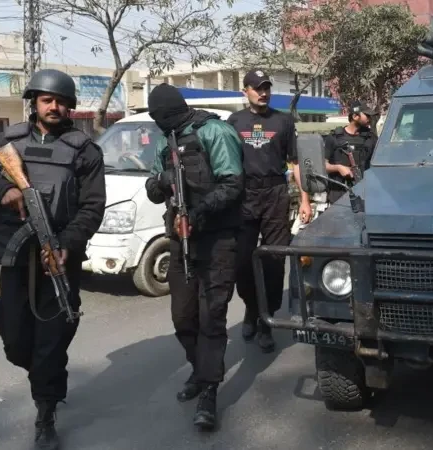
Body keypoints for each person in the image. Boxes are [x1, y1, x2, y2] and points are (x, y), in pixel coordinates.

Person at [0, 69, 106, 449]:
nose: (54, 106)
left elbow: (93, 206)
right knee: (14, 340)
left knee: (52, 341)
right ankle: (46, 374)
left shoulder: (85, 150)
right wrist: (3, 190)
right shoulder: (6, 142)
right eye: (47, 100)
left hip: (59, 259)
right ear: (34, 102)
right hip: (15, 257)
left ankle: (46, 411)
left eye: (61, 101)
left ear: (70, 106)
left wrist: (68, 242)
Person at [144, 84, 244, 431]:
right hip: (180, 239)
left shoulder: (214, 132)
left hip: (218, 240)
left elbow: (232, 184)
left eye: (160, 115)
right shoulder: (165, 140)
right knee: (183, 318)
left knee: (211, 317)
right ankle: (200, 371)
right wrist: (160, 184)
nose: (158, 121)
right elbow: (152, 186)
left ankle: (209, 391)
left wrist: (200, 212)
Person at [226, 69, 312, 351]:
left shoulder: (283, 121)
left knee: (275, 261)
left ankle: (267, 321)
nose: (263, 93)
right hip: (244, 197)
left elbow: (295, 163)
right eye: (257, 88)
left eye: (266, 88)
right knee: (242, 262)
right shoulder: (234, 122)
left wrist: (305, 199)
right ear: (245, 91)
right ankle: (252, 309)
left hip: (275, 195)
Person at [324, 101, 379, 204]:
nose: (370, 118)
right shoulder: (334, 138)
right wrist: (338, 168)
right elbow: (323, 165)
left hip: (364, 193)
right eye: (366, 115)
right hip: (338, 194)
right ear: (355, 116)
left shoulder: (371, 138)